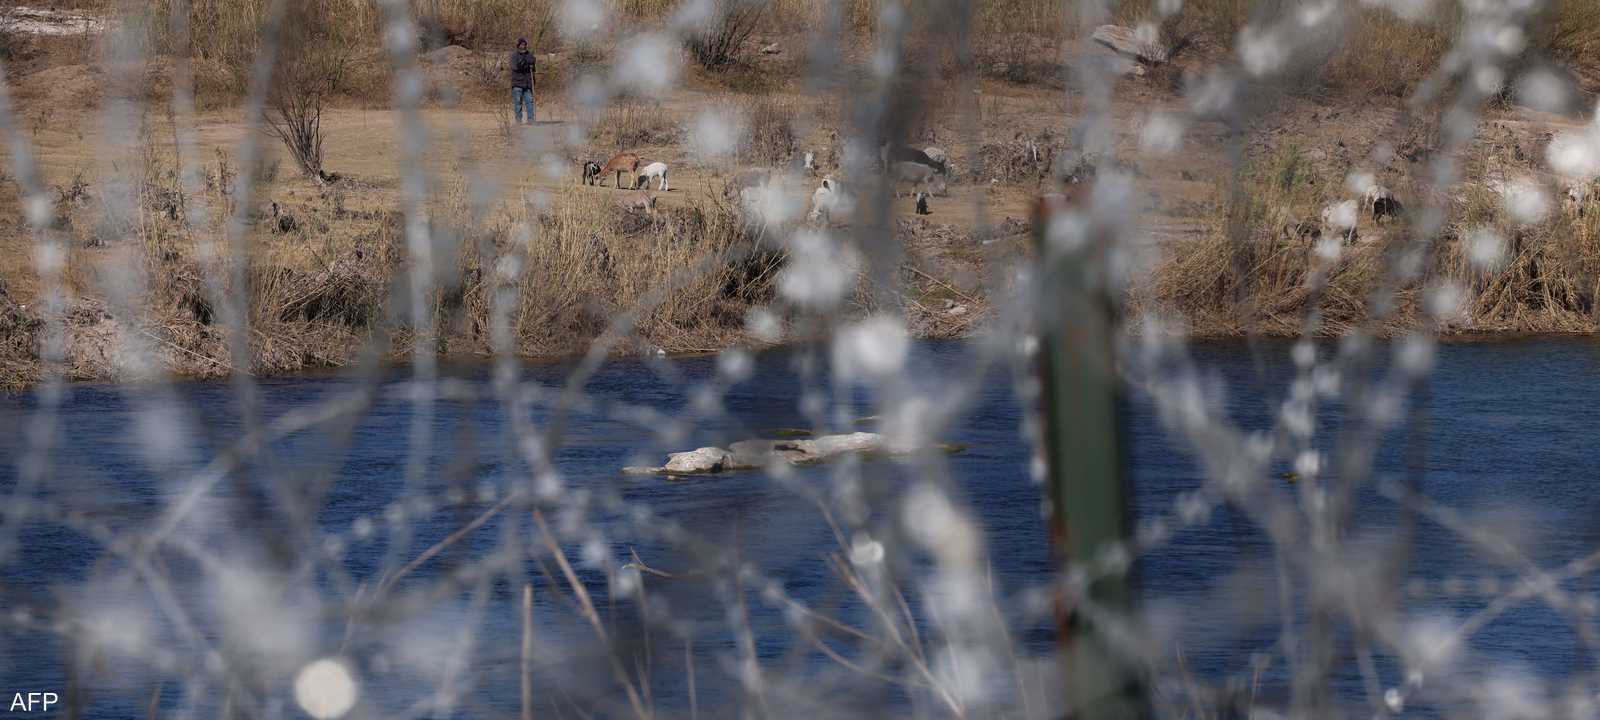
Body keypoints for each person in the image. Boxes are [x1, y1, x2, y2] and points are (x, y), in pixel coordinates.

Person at [510, 37, 535, 124]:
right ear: (518, 46)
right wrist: (525, 63)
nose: (523, 46)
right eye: (521, 45)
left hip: (527, 84)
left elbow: (533, 68)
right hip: (517, 83)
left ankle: (531, 120)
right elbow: (515, 67)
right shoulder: (514, 56)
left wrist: (532, 63)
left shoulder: (529, 55)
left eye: (524, 45)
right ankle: (518, 121)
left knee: (530, 102)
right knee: (518, 103)